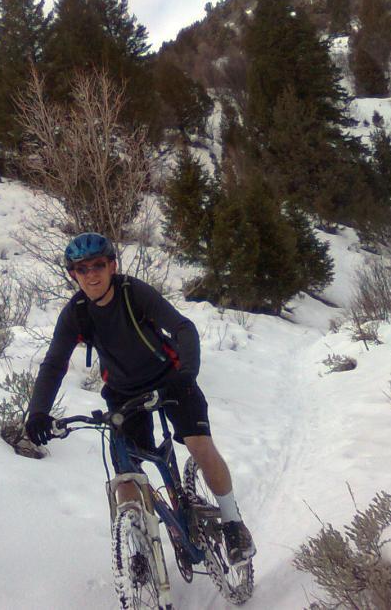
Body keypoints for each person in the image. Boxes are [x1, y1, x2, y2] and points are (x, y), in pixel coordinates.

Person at [26, 232, 256, 565]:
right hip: (124, 393)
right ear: (73, 274)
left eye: (98, 265)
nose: (91, 274)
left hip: (171, 380)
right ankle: (136, 546)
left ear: (112, 266)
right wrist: (38, 412)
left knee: (199, 445)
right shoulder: (76, 313)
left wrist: (186, 374)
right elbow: (54, 364)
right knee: (126, 471)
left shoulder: (133, 293)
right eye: (82, 268)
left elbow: (183, 328)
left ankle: (233, 523)